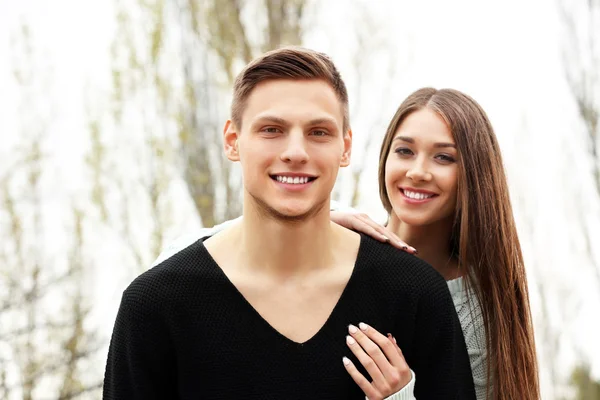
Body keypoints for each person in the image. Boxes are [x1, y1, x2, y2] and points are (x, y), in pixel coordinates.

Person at [103, 48, 476, 400]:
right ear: (233, 141)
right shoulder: (156, 305)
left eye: (318, 132)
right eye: (271, 130)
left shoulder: (414, 296)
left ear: (345, 147)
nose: (296, 153)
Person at [156, 87, 540, 400]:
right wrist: (319, 222)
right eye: (404, 151)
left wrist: (400, 396)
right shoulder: (345, 234)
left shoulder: (476, 313)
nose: (417, 171)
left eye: (444, 158)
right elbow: (178, 257)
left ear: (475, 175)